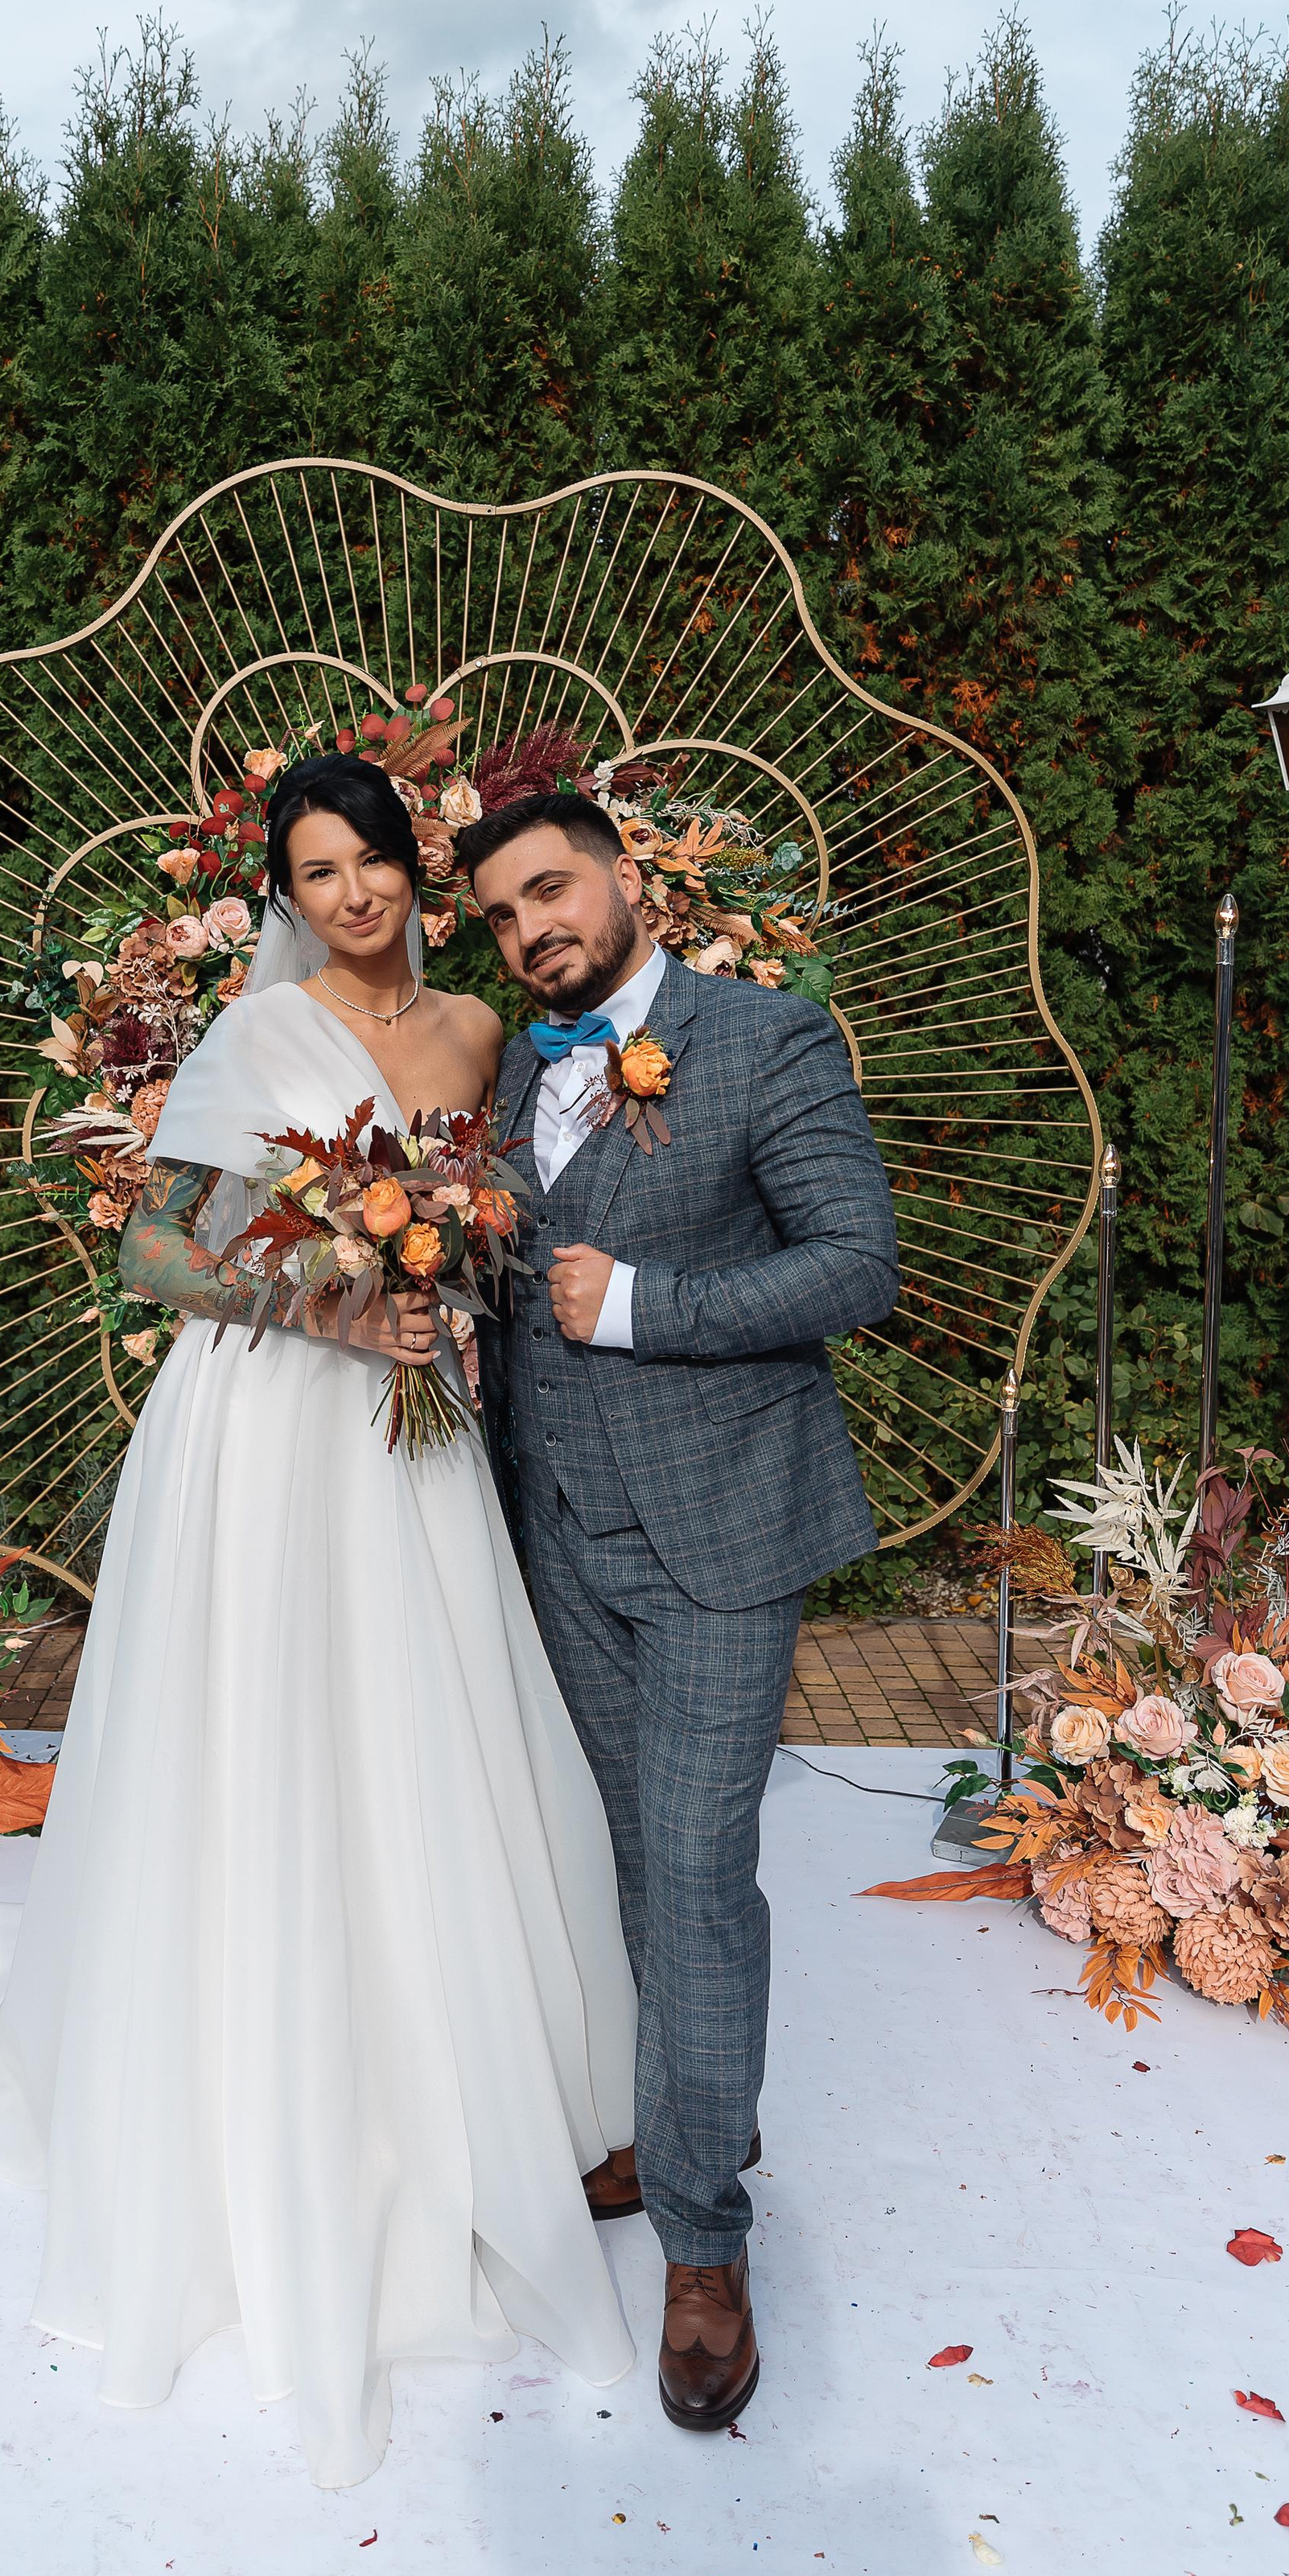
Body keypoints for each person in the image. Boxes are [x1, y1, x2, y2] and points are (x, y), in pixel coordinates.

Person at [0, 752, 639, 2489]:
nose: (353, 895)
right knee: (269, 1732)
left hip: (414, 1437)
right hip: (263, 1428)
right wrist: (335, 1298)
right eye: (318, 872)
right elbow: (158, 1251)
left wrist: (446, 1276)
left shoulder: (476, 1038)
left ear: (411, 872)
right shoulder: (248, 1043)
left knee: (421, 1726)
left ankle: (462, 2088)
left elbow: (504, 1220)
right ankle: (259, 2086)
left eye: (373, 861)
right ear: (284, 896)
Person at [457, 788, 900, 2434]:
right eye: (503, 917)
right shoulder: (513, 1068)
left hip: (721, 1530)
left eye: (552, 892)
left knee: (701, 1870)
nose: (533, 932)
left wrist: (642, 1303)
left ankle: (702, 2244)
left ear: (626, 880)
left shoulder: (765, 1040)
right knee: (635, 1852)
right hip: (560, 1525)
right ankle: (687, 2110)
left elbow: (857, 1263)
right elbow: (502, 1262)